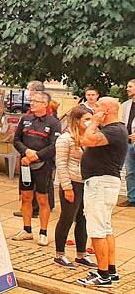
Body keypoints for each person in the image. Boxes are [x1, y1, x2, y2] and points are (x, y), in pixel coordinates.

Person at [76, 97, 127, 287]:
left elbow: (87, 140)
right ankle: (110, 271)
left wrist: (94, 122)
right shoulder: (114, 130)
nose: (93, 109)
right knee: (105, 228)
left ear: (107, 111)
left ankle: (103, 274)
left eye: (97, 106)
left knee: (96, 230)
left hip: (100, 183)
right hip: (103, 183)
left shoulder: (114, 130)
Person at [11, 91, 61, 246]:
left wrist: (36, 156)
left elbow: (54, 146)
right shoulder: (25, 119)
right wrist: (26, 152)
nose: (31, 103)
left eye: (36, 101)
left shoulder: (53, 122)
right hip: (25, 163)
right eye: (31, 100)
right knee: (26, 197)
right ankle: (27, 230)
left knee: (42, 199)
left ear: (45, 104)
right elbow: (16, 140)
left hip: (43, 165)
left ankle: (43, 232)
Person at [52, 107, 96, 269]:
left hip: (86, 183)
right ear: (77, 121)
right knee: (67, 218)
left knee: (83, 219)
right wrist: (67, 188)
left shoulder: (89, 138)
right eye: (86, 119)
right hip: (71, 182)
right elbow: (61, 164)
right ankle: (59, 254)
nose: (89, 122)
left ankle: (81, 254)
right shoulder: (65, 139)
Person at [120, 79, 135, 208]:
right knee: (130, 172)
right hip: (128, 143)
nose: (127, 89)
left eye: (130, 86)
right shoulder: (125, 105)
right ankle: (132, 198)